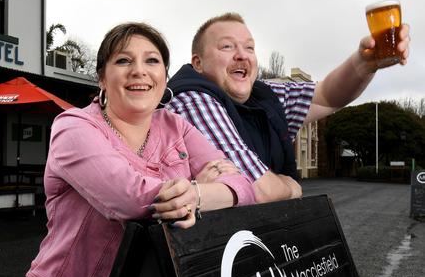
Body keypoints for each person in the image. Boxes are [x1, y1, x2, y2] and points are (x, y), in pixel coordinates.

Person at [25, 22, 256, 277]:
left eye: (152, 61)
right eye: (124, 61)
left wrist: (196, 194)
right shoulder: (73, 127)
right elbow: (130, 200)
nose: (139, 71)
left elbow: (245, 189)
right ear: (102, 77)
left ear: (164, 77)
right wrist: (201, 189)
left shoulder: (176, 126)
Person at [166, 12, 411, 203]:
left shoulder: (262, 95)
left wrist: (365, 62)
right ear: (198, 63)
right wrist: (292, 186)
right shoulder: (192, 99)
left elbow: (326, 96)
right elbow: (256, 189)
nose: (242, 55)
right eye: (227, 46)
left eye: (249, 47)